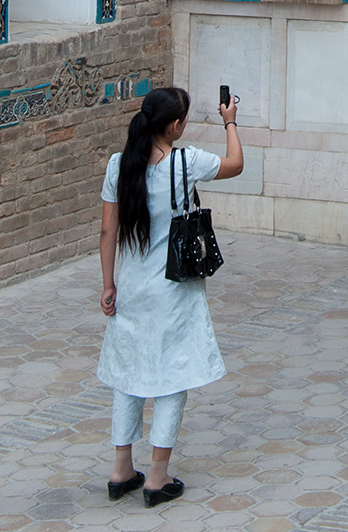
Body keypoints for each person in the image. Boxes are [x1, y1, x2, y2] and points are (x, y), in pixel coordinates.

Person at [99, 85, 244, 506]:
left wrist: (109, 284)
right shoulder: (186, 162)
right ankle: (157, 478)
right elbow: (236, 163)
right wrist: (230, 120)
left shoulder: (118, 166)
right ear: (176, 127)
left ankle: (120, 469)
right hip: (174, 289)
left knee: (128, 375)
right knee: (171, 377)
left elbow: (108, 232)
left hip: (132, 287)